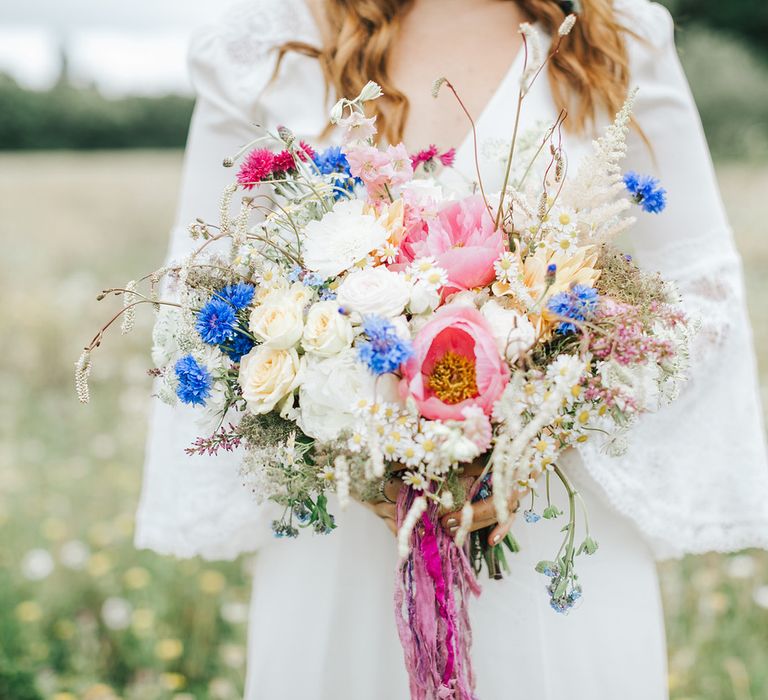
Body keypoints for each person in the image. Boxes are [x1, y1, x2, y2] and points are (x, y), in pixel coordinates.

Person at [135, 0, 768, 697]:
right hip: (346, 539)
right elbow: (198, 305)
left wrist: (542, 426)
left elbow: (696, 291)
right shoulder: (267, 46)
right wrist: (351, 440)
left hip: (551, 532)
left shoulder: (615, 35)